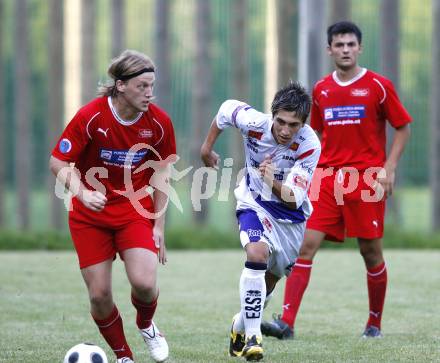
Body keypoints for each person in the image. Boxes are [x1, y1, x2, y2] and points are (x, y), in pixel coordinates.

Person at [261, 21, 412, 340]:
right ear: (329, 49)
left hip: (366, 179)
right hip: (327, 178)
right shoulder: (321, 89)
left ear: (359, 48)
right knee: (305, 246)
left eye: (350, 44)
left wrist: (389, 167)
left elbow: (402, 126)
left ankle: (374, 324)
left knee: (370, 252)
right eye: (339, 45)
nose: (345, 50)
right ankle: (286, 323)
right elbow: (312, 133)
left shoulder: (378, 85)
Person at [50, 50, 176, 363]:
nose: (149, 93)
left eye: (151, 86)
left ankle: (146, 326)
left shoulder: (159, 123)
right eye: (142, 86)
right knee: (99, 294)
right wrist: (82, 193)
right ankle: (123, 356)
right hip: (90, 216)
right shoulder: (91, 116)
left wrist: (158, 225)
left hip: (134, 210)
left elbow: (162, 173)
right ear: (120, 85)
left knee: (145, 284)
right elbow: (58, 161)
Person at [201, 81, 321, 361]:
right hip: (253, 202)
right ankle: (253, 337)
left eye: (293, 125)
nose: (284, 130)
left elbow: (294, 198)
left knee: (268, 283)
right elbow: (225, 110)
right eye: (280, 121)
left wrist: (271, 179)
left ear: (303, 123)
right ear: (272, 114)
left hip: (290, 220)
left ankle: (240, 324)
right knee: (257, 252)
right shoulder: (254, 122)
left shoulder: (309, 144)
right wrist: (207, 148)